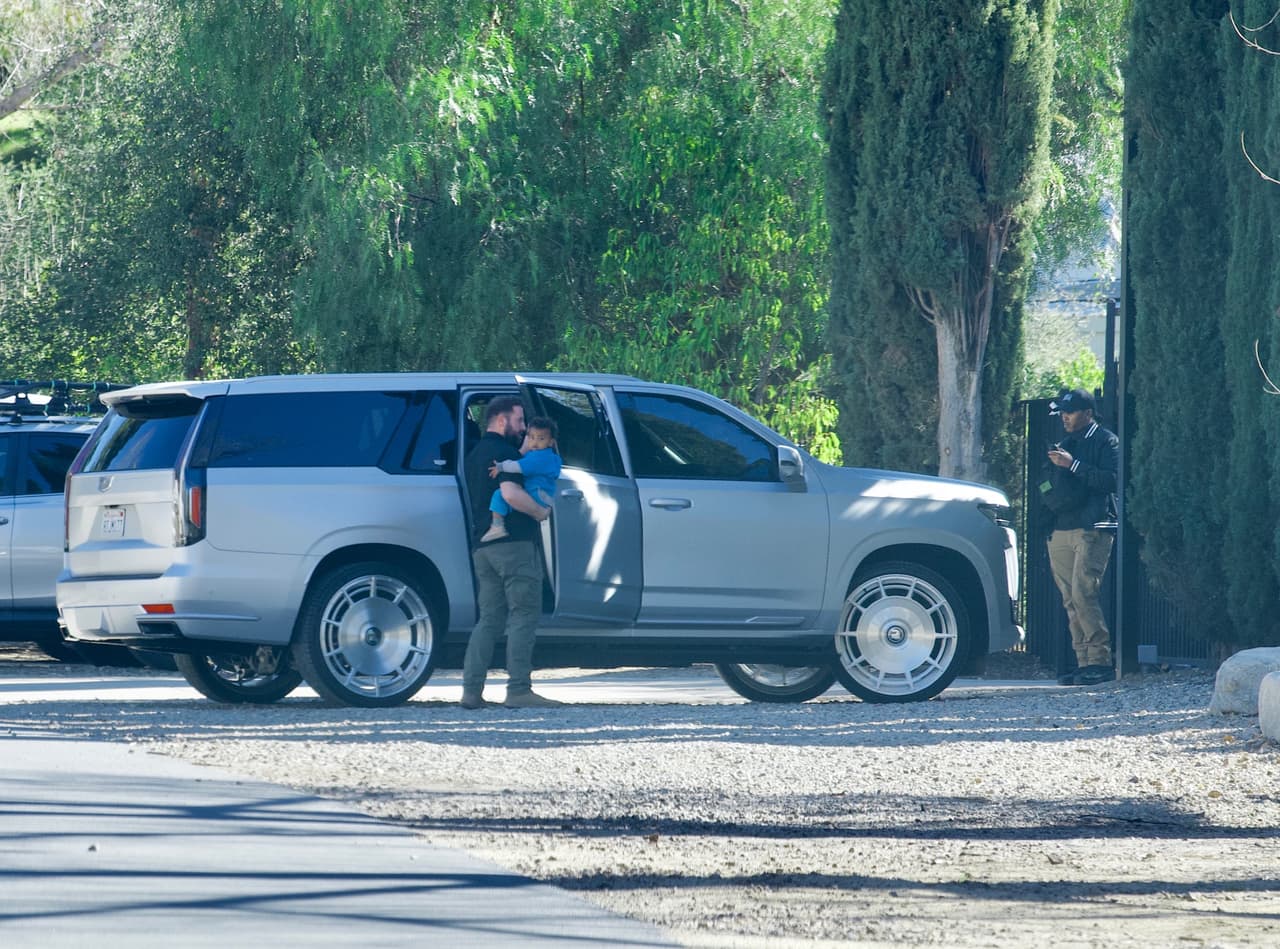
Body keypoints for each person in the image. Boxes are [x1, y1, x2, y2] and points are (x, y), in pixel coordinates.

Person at [461, 396, 562, 710]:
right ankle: (519, 689)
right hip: (514, 545)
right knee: (523, 615)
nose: (524, 431)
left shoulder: (476, 454)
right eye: (519, 422)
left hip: (482, 547)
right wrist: (539, 513)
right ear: (501, 420)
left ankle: (471, 691)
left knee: (489, 620)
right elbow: (510, 493)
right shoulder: (505, 453)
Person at [1041, 388, 1120, 686]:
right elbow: (1048, 482)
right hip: (1060, 528)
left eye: (1070, 412)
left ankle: (1100, 662)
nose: (1065, 417)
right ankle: (1083, 661)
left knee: (1084, 593)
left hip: (1092, 527)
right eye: (1062, 412)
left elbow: (1112, 479)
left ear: (1088, 413)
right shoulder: (1063, 442)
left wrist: (1072, 465)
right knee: (1069, 598)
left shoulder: (1106, 440)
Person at [481, 416, 560, 542]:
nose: (535, 442)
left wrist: (500, 467)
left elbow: (518, 466)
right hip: (541, 494)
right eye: (531, 437)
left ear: (551, 442)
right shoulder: (545, 457)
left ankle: (497, 526)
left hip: (537, 493)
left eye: (541, 438)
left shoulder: (542, 458)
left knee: (499, 494)